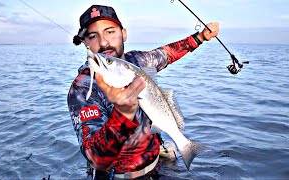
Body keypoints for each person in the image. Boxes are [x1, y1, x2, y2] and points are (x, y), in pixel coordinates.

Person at [67, 4, 219, 179]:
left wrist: (200, 37)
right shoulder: (82, 88)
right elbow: (96, 157)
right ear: (85, 42)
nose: (103, 42)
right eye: (93, 36)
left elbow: (167, 54)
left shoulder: (139, 60)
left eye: (110, 32)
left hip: (156, 167)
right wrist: (123, 115)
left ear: (123, 33)